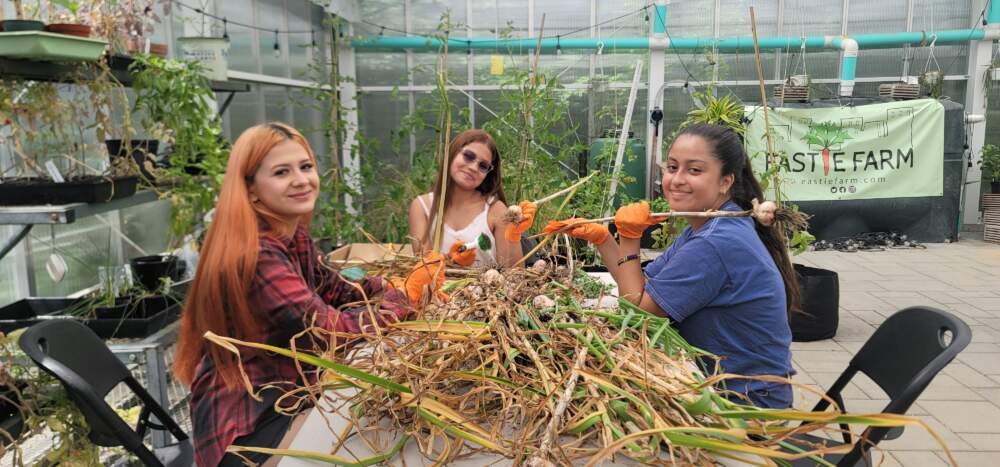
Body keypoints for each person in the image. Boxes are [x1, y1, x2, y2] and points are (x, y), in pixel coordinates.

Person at [172, 123, 435, 467]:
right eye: (282, 172)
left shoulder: (290, 236)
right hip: (248, 424)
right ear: (251, 190)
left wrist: (395, 287)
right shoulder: (257, 253)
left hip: (285, 396)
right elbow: (330, 330)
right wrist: (402, 302)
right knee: (385, 439)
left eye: (306, 166)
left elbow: (339, 288)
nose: (300, 179)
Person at [546, 123, 799, 408]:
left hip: (743, 404)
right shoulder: (710, 225)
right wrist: (605, 239)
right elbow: (640, 287)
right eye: (672, 167)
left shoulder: (715, 242)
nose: (677, 179)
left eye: (694, 170)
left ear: (725, 181)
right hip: (724, 389)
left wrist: (630, 238)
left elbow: (637, 315)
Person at [408, 129, 536, 267]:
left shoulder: (496, 210)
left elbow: (513, 274)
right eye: (468, 156)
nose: (474, 167)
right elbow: (423, 269)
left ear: (488, 173)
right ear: (453, 152)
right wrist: (453, 259)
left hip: (489, 288)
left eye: (483, 166)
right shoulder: (422, 207)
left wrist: (514, 235)